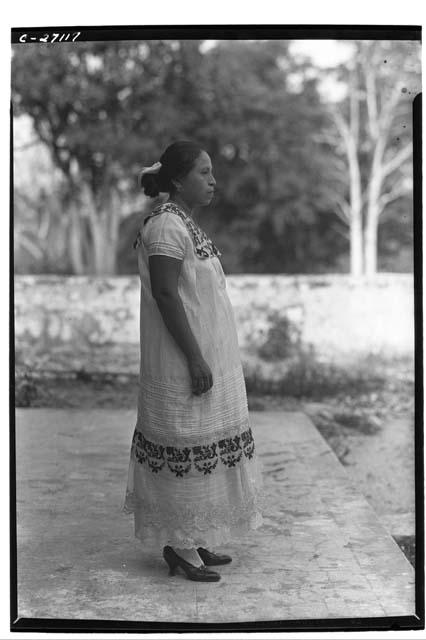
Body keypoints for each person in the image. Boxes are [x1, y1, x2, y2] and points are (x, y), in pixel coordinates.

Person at [123, 140, 264, 582]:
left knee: (201, 441)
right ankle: (180, 547)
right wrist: (196, 357)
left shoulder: (185, 224)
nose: (213, 180)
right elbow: (166, 295)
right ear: (179, 180)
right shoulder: (167, 226)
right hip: (182, 360)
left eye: (211, 172)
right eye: (204, 172)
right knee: (184, 442)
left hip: (205, 359)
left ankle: (193, 534)